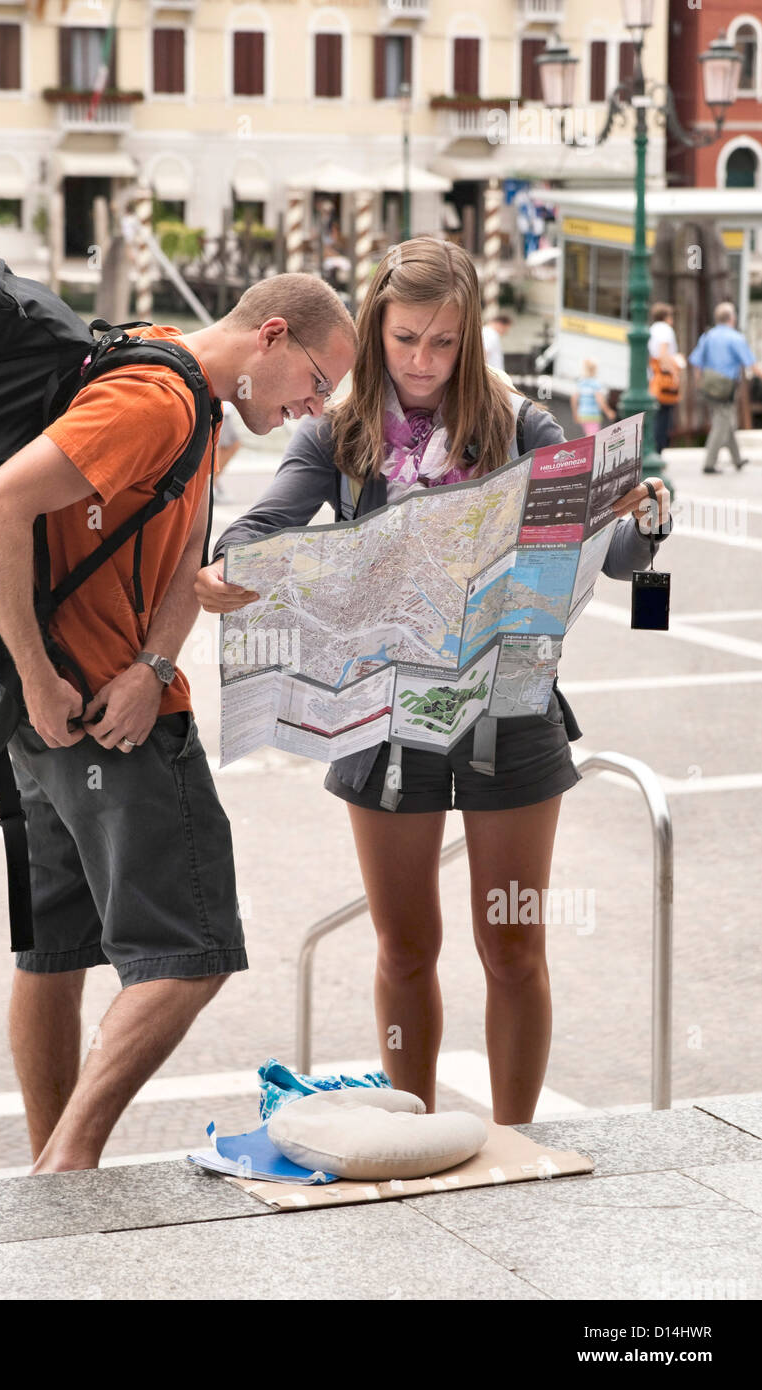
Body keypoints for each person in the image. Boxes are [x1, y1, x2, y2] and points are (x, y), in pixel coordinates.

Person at [196, 236, 672, 1125]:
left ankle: (513, 1141)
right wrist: (231, 565)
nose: (421, 362)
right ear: (376, 330)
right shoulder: (335, 432)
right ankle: (412, 1139)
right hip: (381, 721)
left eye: (443, 343)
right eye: (404, 338)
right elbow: (265, 524)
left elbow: (610, 560)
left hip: (512, 714)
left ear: (470, 343)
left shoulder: (524, 427)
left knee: (513, 947)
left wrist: (645, 522)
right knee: (404, 950)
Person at [0, 275, 357, 1173]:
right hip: (95, 722)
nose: (311, 407)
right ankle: (68, 1162)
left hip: (75, 710)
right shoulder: (154, 399)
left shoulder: (197, 406)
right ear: (273, 336)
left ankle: (54, 1174)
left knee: (52, 952)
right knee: (189, 953)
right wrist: (39, 673)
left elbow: (181, 557)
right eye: (315, 381)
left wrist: (154, 664)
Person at [689, 301, 762, 474]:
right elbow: (752, 364)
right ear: (732, 318)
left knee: (726, 422)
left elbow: (696, 362)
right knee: (722, 424)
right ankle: (709, 463)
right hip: (724, 387)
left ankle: (737, 459)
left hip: (708, 385)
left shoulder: (708, 335)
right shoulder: (736, 338)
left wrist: (699, 383)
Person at [648, 302, 684, 455]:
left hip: (653, 375)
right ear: (667, 316)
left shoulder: (652, 329)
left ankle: (654, 447)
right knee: (664, 415)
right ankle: (658, 449)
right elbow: (663, 354)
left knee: (657, 414)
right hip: (664, 376)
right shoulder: (665, 330)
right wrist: (674, 373)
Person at [571, 356, 615, 437]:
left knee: (589, 435)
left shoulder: (581, 383)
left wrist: (575, 413)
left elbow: (574, 399)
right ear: (595, 370)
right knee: (593, 437)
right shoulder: (595, 384)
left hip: (582, 414)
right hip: (592, 414)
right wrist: (608, 411)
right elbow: (600, 400)